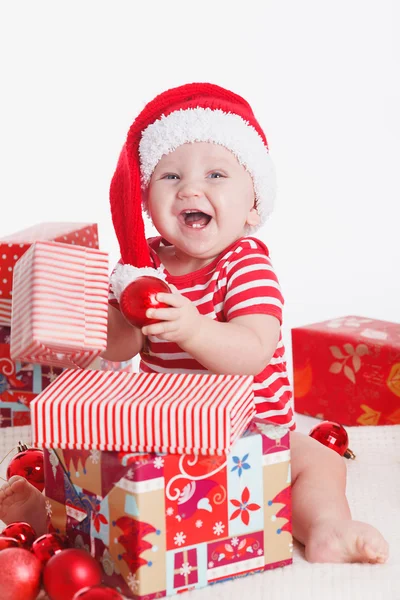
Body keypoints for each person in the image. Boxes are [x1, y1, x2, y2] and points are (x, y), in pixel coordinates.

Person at [0, 83, 389, 564]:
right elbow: (120, 349)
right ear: (145, 198)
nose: (189, 188)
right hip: (161, 433)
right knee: (107, 462)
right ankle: (52, 518)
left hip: (250, 432)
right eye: (169, 176)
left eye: (216, 173)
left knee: (317, 463)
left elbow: (253, 349)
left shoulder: (245, 265)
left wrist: (194, 329)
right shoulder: (142, 268)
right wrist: (94, 309)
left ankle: (326, 526)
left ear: (253, 205)